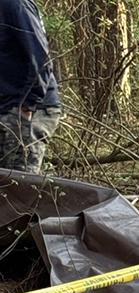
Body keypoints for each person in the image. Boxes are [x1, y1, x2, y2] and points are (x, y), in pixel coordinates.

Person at [0, 0, 62, 173]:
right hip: (6, 107)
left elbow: (40, 58)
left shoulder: (14, 5)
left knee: (18, 186)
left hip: (28, 108)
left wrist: (27, 106)